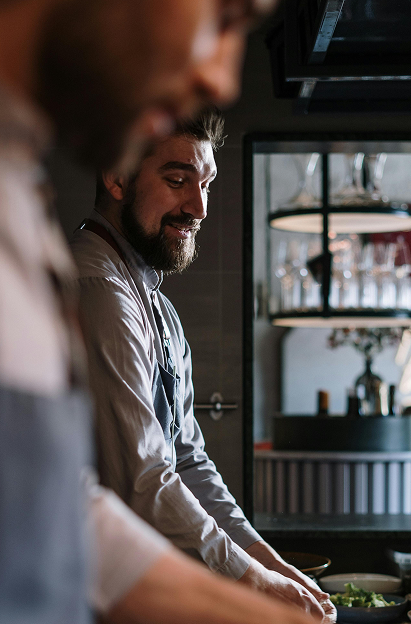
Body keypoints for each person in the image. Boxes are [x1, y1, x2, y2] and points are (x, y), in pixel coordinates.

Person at [0, 1, 328, 624]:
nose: (221, 78)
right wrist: (252, 587)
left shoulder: (7, 187)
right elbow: (141, 481)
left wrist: (264, 585)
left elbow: (62, 509)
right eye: (223, 16)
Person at [70, 108, 336, 623]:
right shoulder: (100, 291)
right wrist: (251, 582)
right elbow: (144, 479)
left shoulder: (156, 306)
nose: (199, 207)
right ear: (117, 176)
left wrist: (271, 565)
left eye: (206, 184)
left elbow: (187, 462)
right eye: (177, 180)